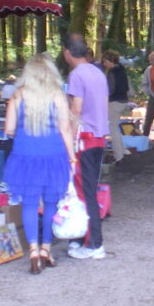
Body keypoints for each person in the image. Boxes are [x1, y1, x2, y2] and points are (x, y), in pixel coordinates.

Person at [1, 54, 74, 274]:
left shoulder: (17, 96)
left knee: (30, 203)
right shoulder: (57, 95)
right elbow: (65, 129)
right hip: (53, 154)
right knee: (51, 202)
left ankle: (32, 251)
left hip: (25, 155)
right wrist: (72, 157)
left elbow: (9, 129)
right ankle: (46, 249)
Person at [64, 33, 109, 261]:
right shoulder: (97, 71)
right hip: (99, 137)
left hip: (85, 138)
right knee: (89, 188)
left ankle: (94, 244)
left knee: (85, 191)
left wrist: (69, 141)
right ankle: (83, 238)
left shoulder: (76, 75)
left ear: (67, 53)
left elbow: (76, 110)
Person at [102, 50, 130, 163]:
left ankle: (119, 156)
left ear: (110, 61)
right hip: (123, 100)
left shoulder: (112, 73)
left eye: (105, 62)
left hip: (115, 102)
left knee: (113, 129)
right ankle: (123, 150)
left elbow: (110, 90)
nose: (104, 64)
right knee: (116, 128)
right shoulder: (121, 68)